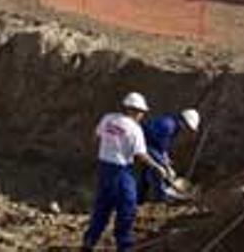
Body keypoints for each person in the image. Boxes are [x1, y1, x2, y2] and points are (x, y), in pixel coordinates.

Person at [82, 92, 169, 252]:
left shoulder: (108, 118)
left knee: (102, 208)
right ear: (135, 111)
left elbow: (95, 137)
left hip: (103, 168)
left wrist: (108, 148)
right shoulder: (135, 129)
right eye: (142, 112)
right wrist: (157, 167)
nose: (142, 116)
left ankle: (89, 243)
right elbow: (140, 154)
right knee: (127, 208)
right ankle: (125, 247)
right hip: (120, 171)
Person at [140, 109, 200, 203]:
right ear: (183, 123)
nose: (186, 131)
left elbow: (162, 146)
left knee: (158, 169)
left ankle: (154, 195)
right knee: (158, 170)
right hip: (141, 146)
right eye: (188, 128)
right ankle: (159, 196)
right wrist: (164, 165)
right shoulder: (168, 126)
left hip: (147, 146)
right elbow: (149, 145)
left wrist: (166, 160)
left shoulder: (172, 126)